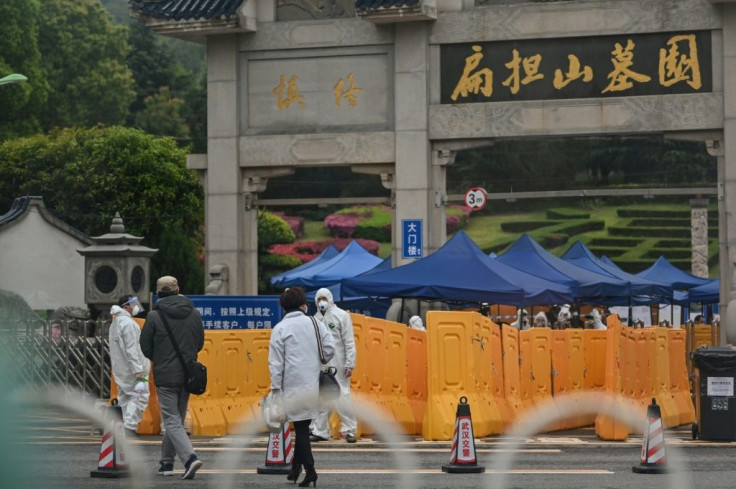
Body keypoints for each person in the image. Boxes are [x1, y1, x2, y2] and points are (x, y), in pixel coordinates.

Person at [140, 276, 205, 480]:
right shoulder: (194, 314)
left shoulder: (153, 316)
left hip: (166, 375)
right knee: (175, 418)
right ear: (178, 290)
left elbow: (145, 347)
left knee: (172, 421)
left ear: (159, 293)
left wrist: (160, 359)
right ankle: (166, 463)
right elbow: (200, 343)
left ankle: (189, 458)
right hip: (187, 375)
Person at [269, 287, 335, 487]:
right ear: (302, 304)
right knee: (302, 426)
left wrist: (275, 388)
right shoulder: (315, 322)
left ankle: (311, 471)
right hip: (312, 383)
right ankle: (295, 469)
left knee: (301, 428)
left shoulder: (280, 329)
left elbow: (276, 363)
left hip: (291, 385)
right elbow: (330, 348)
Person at [309, 288, 358, 444]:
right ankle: (320, 430)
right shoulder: (315, 319)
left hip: (340, 362)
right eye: (319, 299)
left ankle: (350, 429)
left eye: (324, 298)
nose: (322, 302)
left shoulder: (342, 316)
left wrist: (350, 363)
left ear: (330, 299)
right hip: (322, 363)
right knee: (322, 396)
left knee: (343, 396)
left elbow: (349, 342)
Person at [109, 295, 150, 438]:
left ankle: (125, 426)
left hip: (122, 370)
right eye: (133, 304)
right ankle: (129, 427)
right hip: (136, 371)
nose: (136, 307)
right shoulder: (128, 324)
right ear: (126, 306)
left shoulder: (116, 322)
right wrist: (138, 369)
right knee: (140, 396)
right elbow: (132, 349)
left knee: (126, 397)